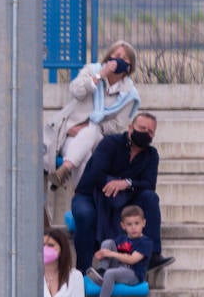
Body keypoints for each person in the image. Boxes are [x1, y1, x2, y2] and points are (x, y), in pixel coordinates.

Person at [71, 112, 169, 273]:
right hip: (89, 194)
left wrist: (126, 183)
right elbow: (96, 173)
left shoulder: (151, 155)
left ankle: (153, 255)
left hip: (126, 197)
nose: (145, 133)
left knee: (150, 198)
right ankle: (83, 270)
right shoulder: (110, 143)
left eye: (150, 131)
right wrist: (112, 184)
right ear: (130, 128)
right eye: (142, 128)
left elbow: (149, 184)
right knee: (85, 215)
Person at [44, 40, 139, 190]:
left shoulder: (129, 94)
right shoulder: (91, 70)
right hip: (70, 133)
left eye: (125, 58)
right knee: (84, 158)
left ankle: (65, 168)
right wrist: (100, 76)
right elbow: (76, 91)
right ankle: (80, 199)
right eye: (117, 55)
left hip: (100, 138)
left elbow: (116, 126)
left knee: (93, 128)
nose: (119, 59)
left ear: (129, 67)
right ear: (109, 58)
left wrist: (88, 127)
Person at [87, 205, 153, 297]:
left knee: (111, 273)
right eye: (129, 224)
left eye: (137, 223)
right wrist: (102, 253)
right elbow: (109, 251)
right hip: (119, 268)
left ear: (144, 223)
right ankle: (102, 271)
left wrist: (110, 254)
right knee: (108, 243)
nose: (133, 227)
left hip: (133, 274)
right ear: (123, 226)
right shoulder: (121, 239)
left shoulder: (145, 242)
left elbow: (132, 260)